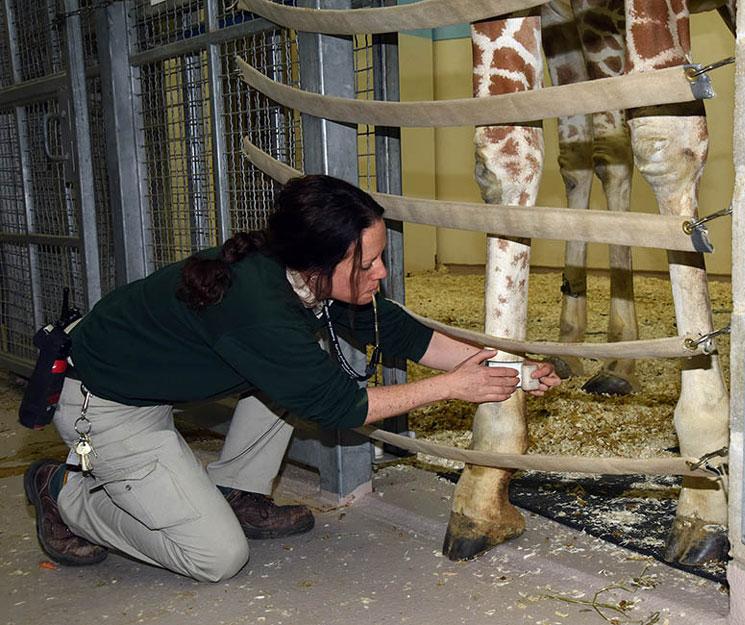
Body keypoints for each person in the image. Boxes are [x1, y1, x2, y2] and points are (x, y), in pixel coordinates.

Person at [23, 174, 561, 582]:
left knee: (298, 365)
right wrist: (451, 387)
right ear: (318, 262)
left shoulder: (302, 276)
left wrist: (509, 369)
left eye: (381, 258)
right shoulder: (259, 308)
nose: (382, 274)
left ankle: (237, 489)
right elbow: (339, 407)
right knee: (216, 558)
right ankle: (65, 492)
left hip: (156, 383)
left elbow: (405, 336)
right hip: (104, 403)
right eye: (368, 263)